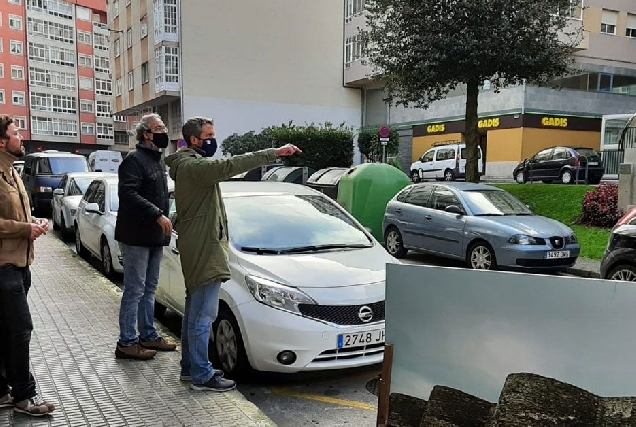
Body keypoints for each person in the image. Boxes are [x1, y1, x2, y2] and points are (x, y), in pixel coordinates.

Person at [164, 117, 301, 391]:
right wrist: (274, 153)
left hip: (199, 248)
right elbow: (231, 165)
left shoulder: (187, 166)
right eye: (210, 135)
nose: (214, 140)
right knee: (204, 317)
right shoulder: (195, 167)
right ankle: (201, 375)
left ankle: (191, 369)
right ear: (194, 140)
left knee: (194, 314)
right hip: (205, 251)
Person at [0, 115, 55, 416]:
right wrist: (24, 229)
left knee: (6, 331)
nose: (21, 137)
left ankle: (2, 391)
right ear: (2, 141)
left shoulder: (13, 172)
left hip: (21, 265)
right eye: (15, 133)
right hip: (4, 266)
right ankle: (24, 396)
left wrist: (33, 222)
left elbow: (17, 215)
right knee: (21, 330)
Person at [114, 113, 176, 360]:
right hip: (136, 236)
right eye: (159, 127)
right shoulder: (134, 160)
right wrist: (158, 215)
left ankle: (148, 335)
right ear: (146, 134)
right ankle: (127, 341)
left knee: (150, 288)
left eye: (163, 126)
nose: (163, 131)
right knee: (135, 289)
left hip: (153, 236)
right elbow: (128, 194)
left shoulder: (157, 161)